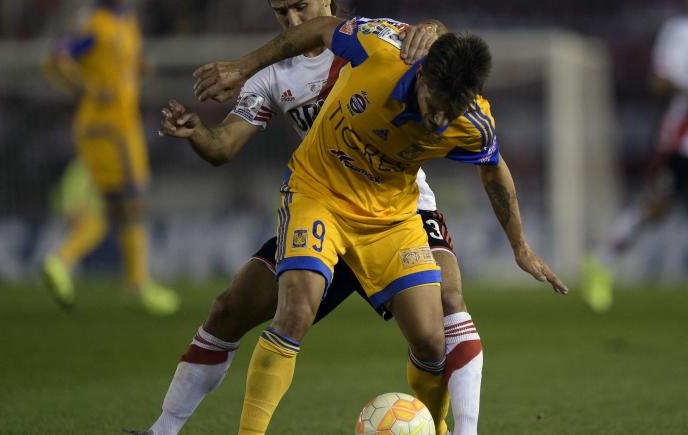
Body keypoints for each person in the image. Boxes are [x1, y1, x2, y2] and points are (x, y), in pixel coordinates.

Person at [187, 15, 567, 435]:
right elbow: (320, 27)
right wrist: (245, 67)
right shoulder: (379, 49)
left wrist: (520, 247)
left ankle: (438, 428)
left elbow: (494, 172)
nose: (440, 121)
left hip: (390, 214)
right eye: (435, 106)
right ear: (422, 75)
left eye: (450, 112)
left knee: (430, 338)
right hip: (320, 194)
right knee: (295, 309)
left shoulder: (472, 121)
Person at [131, 2, 476, 434]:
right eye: (281, 12)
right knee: (228, 310)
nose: (294, 20)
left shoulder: (368, 38)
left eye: (301, 7)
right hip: (323, 208)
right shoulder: (274, 73)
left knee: (444, 309)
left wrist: (434, 27)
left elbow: (441, 50)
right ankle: (162, 429)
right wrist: (197, 131)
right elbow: (223, 148)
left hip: (398, 210)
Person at [582, 0, 688, 317]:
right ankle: (601, 262)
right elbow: (659, 81)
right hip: (685, 137)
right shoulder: (679, 31)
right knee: (657, 206)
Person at [40, 0, 179, 316]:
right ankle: (135, 284)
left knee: (118, 206)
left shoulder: (126, 21)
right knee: (129, 202)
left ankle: (64, 262)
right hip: (106, 128)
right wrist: (88, 87)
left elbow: (121, 65)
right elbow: (57, 60)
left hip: (122, 126)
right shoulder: (95, 23)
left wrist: (139, 67)